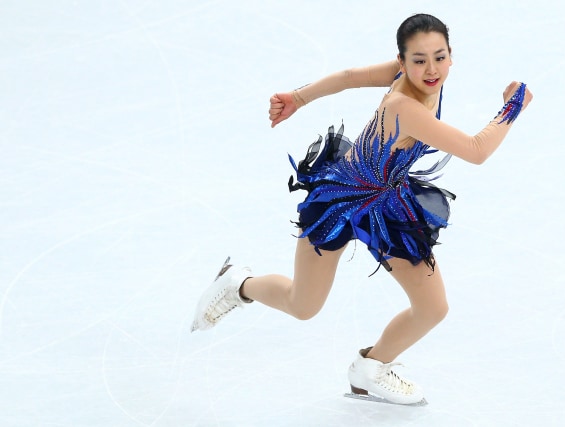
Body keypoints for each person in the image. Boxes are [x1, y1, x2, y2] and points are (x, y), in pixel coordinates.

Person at [191, 13, 532, 406]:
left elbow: (351, 75)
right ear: (401, 62)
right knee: (304, 306)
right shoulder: (406, 105)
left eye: (440, 57)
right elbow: (475, 150)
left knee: (433, 307)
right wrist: (514, 106)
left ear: (452, 56)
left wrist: (299, 98)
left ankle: (370, 368)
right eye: (419, 60)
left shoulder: (423, 80)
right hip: (340, 201)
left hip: (386, 204)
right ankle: (239, 283)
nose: (431, 69)